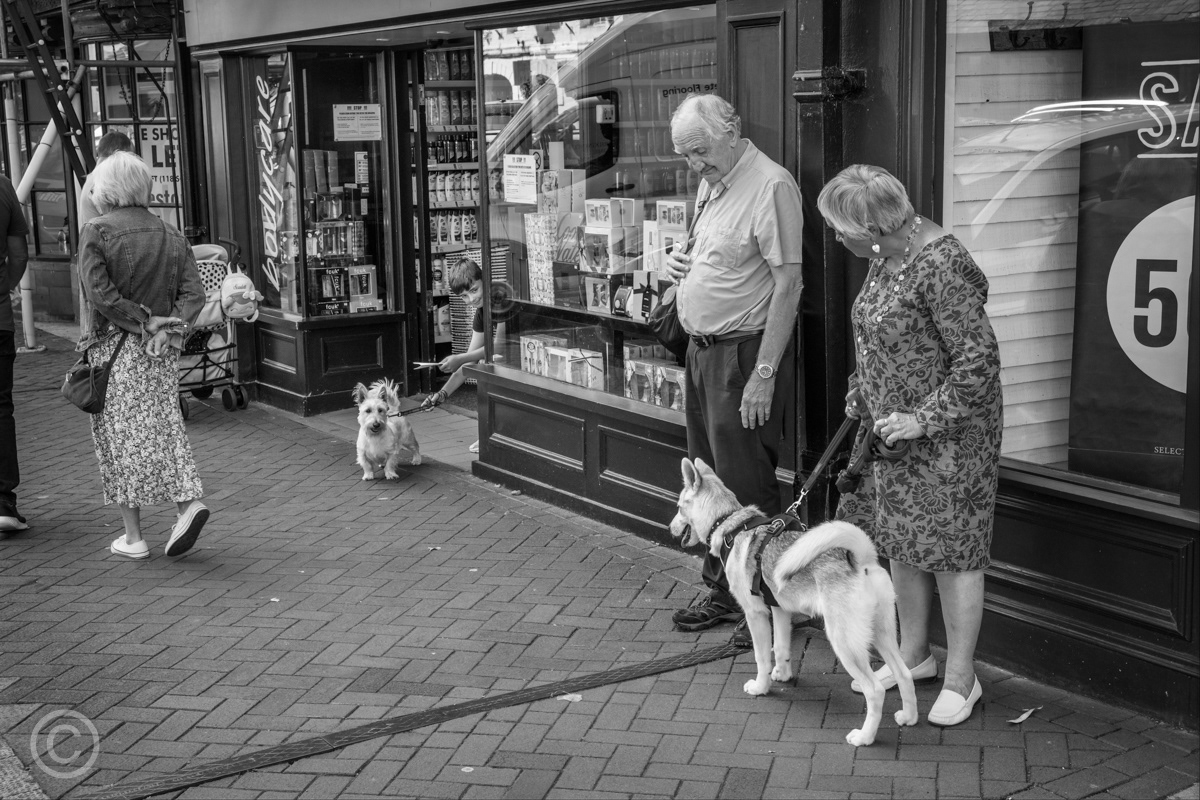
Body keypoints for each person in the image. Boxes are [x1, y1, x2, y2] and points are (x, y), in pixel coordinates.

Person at [817, 164, 1002, 727]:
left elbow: (978, 363)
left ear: (872, 226)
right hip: (891, 434)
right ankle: (914, 657)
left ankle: (961, 679)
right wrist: (861, 391)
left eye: (840, 229)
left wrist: (924, 420)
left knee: (954, 555)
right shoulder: (884, 256)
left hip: (950, 439)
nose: (837, 239)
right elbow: (879, 338)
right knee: (902, 543)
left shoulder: (941, 265)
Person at [662, 94, 804, 641]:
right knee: (707, 482)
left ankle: (768, 602)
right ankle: (728, 591)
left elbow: (789, 285)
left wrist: (764, 374)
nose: (694, 164)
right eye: (686, 155)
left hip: (743, 354)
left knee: (747, 479)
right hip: (701, 351)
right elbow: (718, 255)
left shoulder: (771, 185)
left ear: (732, 131)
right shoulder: (711, 179)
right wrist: (681, 261)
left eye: (699, 151)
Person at [77, 151, 210, 560]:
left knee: (120, 441)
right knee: (163, 429)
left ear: (107, 190)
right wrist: (170, 331)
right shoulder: (172, 234)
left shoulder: (96, 230)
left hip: (114, 350)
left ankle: (138, 534)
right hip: (159, 351)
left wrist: (143, 321)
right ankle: (182, 507)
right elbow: (195, 295)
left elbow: (100, 294)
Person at [421, 258, 493, 453]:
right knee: (484, 371)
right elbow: (471, 359)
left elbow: (500, 348)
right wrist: (441, 395)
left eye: (474, 290)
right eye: (464, 296)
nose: (471, 300)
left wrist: (460, 358)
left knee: (490, 370)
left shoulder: (499, 301)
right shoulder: (480, 313)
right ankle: (490, 433)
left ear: (485, 280)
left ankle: (492, 434)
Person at [0, 174, 31, 533]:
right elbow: (19, 254)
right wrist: (3, 286)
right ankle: (3, 502)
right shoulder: (3, 186)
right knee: (0, 408)